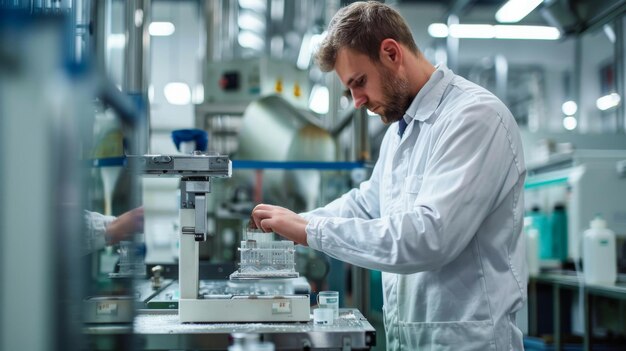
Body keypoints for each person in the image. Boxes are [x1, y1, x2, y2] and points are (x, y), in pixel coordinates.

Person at [250, 1, 527, 350]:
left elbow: (429, 237)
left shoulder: (473, 118)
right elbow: (368, 204)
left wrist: (311, 231)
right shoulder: (401, 131)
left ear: (391, 53)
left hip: (467, 342)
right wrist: (294, 222)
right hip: (410, 340)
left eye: (359, 82)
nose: (356, 101)